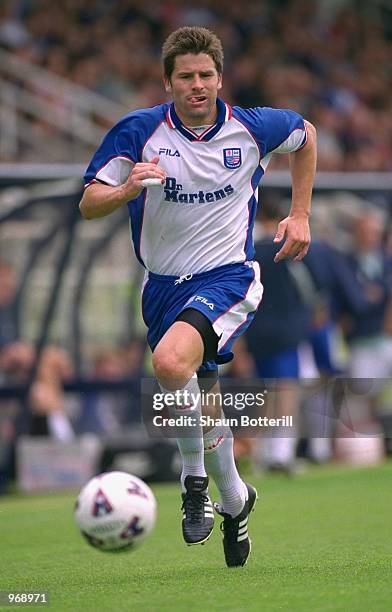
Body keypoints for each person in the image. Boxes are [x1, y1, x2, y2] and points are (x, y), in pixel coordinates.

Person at [79, 26, 317, 567]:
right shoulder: (138, 132)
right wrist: (125, 189)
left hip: (228, 278)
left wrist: (300, 213)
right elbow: (89, 202)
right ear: (168, 83)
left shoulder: (252, 129)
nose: (197, 85)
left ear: (219, 78)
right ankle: (234, 497)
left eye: (205, 75)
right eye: (185, 76)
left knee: (169, 363)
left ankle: (192, 482)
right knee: (199, 392)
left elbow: (306, 134)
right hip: (163, 286)